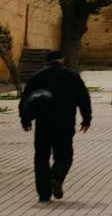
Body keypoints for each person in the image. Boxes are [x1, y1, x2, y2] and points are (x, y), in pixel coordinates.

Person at [19, 52, 92, 203]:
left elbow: (26, 99)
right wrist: (86, 119)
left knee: (41, 158)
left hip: (43, 123)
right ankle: (56, 177)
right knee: (64, 155)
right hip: (65, 123)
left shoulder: (38, 76)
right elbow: (83, 98)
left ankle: (43, 194)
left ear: (47, 62)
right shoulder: (72, 76)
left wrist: (25, 120)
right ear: (62, 60)